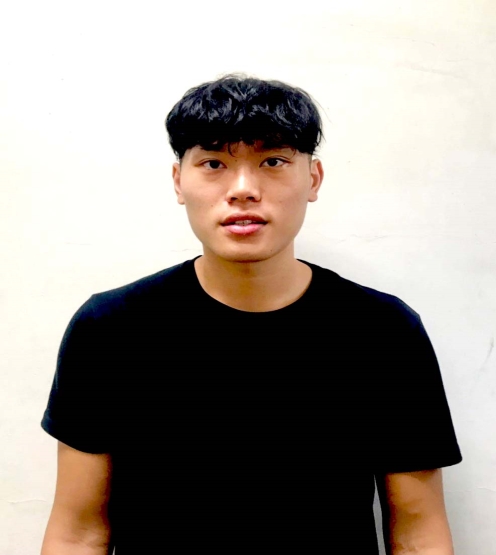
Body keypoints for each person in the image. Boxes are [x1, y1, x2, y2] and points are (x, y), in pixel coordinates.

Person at [40, 75, 462, 554]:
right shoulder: (110, 329)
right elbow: (78, 534)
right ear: (178, 181)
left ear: (313, 179)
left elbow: (419, 536)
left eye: (273, 162)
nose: (243, 189)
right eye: (214, 163)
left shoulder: (383, 331)